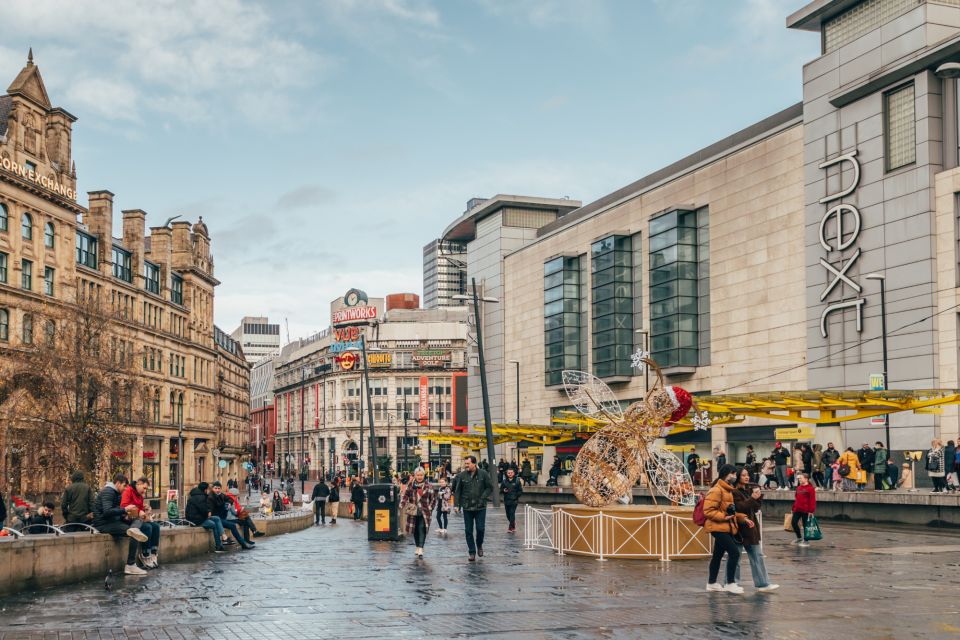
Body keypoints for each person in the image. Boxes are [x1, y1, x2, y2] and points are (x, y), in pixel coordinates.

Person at [703, 464, 750, 594]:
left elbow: (729, 511)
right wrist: (724, 517)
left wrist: (742, 517)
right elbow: (708, 511)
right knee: (734, 552)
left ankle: (711, 583)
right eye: (733, 474)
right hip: (717, 527)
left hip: (725, 527)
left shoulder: (728, 490)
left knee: (717, 556)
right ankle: (730, 583)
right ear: (726, 474)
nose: (735, 476)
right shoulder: (716, 490)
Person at [93, 473, 150, 575]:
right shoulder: (108, 492)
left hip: (113, 521)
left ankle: (134, 529)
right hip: (104, 524)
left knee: (138, 519)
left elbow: (116, 510)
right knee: (134, 532)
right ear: (118, 483)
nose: (125, 489)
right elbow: (107, 512)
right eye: (124, 486)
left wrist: (125, 516)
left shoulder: (116, 493)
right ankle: (130, 565)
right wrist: (125, 509)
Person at [733, 467, 779, 592]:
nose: (747, 477)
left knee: (757, 555)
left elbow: (756, 508)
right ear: (737, 477)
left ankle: (763, 583)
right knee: (735, 557)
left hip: (751, 527)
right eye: (743, 475)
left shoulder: (747, 489)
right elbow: (740, 507)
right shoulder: (735, 491)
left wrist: (758, 497)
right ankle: (731, 582)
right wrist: (752, 498)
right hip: (739, 528)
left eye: (747, 475)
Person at [454, 455, 494, 561]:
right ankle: (472, 552)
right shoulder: (461, 476)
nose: (466, 465)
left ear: (474, 464)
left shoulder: (483, 474)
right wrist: (456, 505)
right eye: (465, 463)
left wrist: (483, 498)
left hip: (480, 507)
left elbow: (490, 487)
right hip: (467, 507)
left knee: (480, 529)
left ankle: (479, 545)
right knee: (468, 531)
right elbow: (457, 491)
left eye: (468, 463)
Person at [120, 477, 162, 568]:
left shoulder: (140, 495)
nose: (145, 491)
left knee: (156, 526)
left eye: (146, 489)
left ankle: (153, 553)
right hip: (128, 520)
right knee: (148, 527)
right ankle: (145, 554)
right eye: (144, 488)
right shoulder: (128, 491)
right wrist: (140, 512)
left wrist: (145, 512)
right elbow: (124, 506)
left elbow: (140, 509)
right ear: (138, 484)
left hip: (137, 519)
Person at [399, 467, 437, 558]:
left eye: (421, 475)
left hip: (425, 511)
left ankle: (420, 548)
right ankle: (417, 546)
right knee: (415, 530)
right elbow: (405, 495)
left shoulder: (429, 486)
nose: (419, 477)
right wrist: (402, 503)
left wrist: (430, 508)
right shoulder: (411, 485)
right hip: (413, 511)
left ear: (424, 475)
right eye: (418, 475)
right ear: (415, 475)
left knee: (422, 528)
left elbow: (433, 499)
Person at [209, 482, 252, 549]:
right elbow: (215, 507)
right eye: (215, 488)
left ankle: (243, 544)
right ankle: (243, 544)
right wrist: (224, 504)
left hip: (222, 518)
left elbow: (230, 499)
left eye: (219, 488)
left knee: (233, 525)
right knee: (232, 525)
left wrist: (229, 503)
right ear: (212, 488)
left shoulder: (221, 495)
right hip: (216, 518)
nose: (217, 490)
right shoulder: (211, 497)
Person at [185, 482, 225, 553]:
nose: (209, 491)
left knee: (216, 518)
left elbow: (203, 509)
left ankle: (223, 535)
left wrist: (208, 512)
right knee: (213, 524)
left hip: (198, 517)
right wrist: (208, 513)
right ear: (205, 490)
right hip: (196, 520)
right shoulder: (201, 497)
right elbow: (203, 509)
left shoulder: (196, 495)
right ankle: (218, 546)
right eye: (208, 489)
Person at [791, 473, 816, 546]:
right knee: (794, 523)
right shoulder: (798, 488)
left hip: (806, 510)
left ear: (806, 479)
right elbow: (796, 499)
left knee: (806, 525)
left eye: (800, 478)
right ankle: (799, 538)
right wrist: (793, 508)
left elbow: (812, 500)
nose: (799, 480)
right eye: (799, 478)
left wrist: (811, 511)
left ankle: (806, 540)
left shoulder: (810, 489)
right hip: (797, 509)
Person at [500, 467, 523, 533]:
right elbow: (501, 490)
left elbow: (520, 491)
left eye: (511, 473)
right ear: (507, 474)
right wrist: (503, 490)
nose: (510, 474)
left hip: (514, 500)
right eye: (508, 473)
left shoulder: (517, 481)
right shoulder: (504, 481)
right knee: (508, 515)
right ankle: (513, 523)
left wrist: (516, 496)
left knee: (512, 513)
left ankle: (510, 528)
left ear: (514, 473)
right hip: (506, 500)